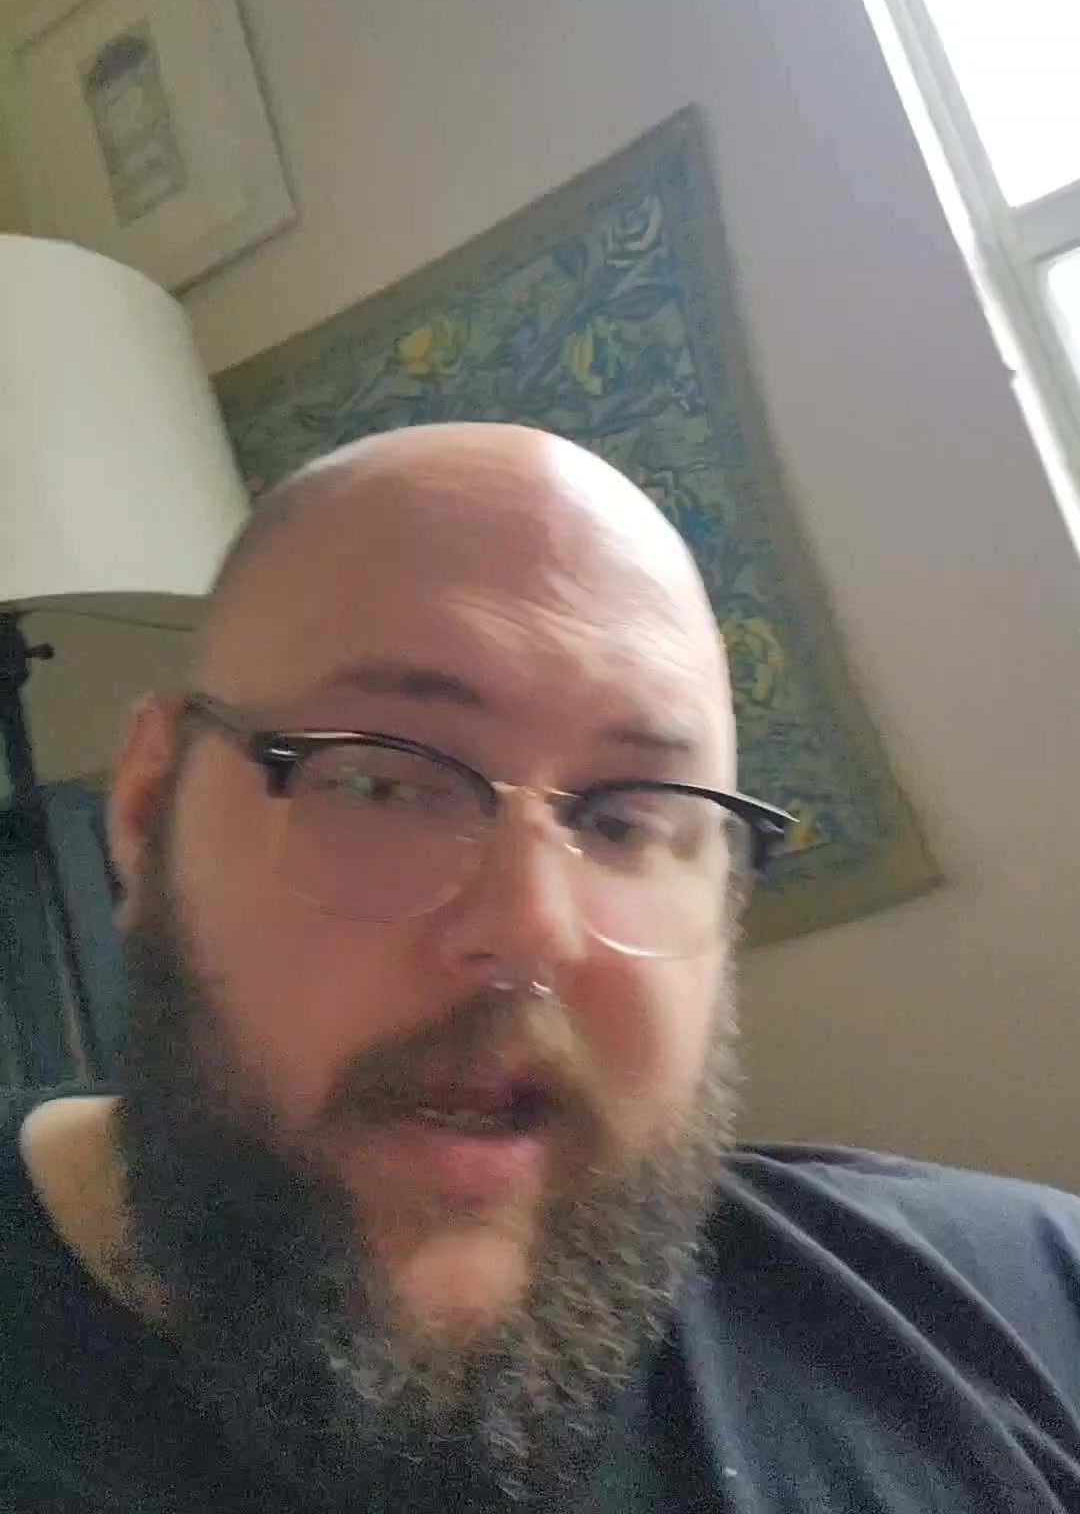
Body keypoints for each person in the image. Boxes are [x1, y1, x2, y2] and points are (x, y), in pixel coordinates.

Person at [4, 423, 1080, 1514]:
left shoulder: (1030, 1305)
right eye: (382, 783)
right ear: (147, 809)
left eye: (625, 819)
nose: (533, 929)